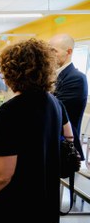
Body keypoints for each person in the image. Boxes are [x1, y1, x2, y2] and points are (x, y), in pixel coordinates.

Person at [0, 39, 73, 223]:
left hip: (10, 212)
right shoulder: (54, 103)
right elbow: (69, 137)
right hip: (42, 205)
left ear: (12, 72)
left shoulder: (10, 113)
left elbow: (2, 174)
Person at [49, 33, 88, 161]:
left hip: (63, 142)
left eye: (54, 51)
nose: (50, 55)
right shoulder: (52, 76)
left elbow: (56, 111)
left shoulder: (76, 78)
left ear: (69, 52)